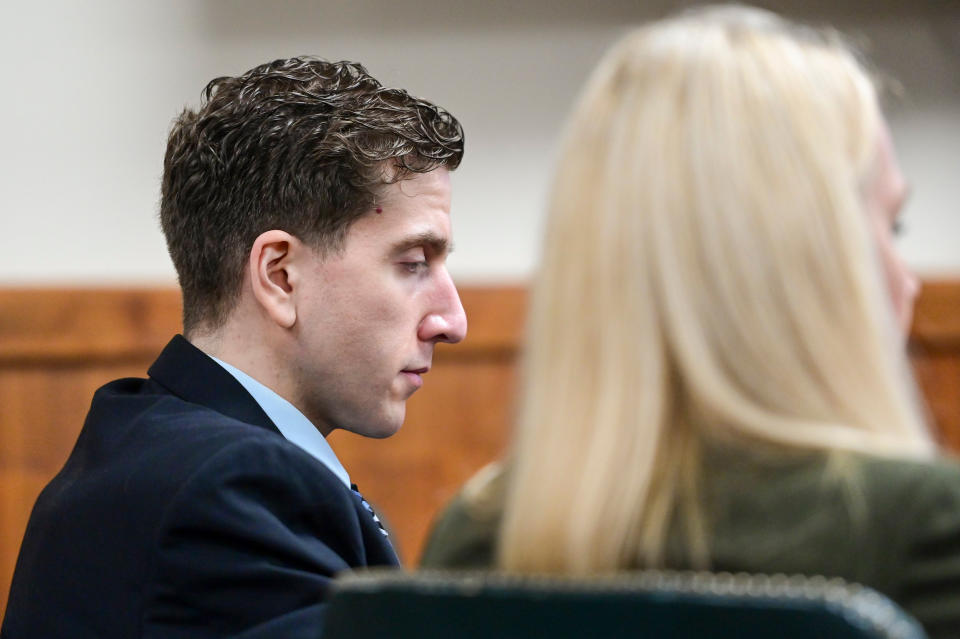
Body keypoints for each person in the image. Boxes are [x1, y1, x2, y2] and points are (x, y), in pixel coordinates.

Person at [420, 6, 960, 637]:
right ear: (812, 265)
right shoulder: (928, 530)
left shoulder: (476, 539)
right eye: (887, 228)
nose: (908, 280)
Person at [2, 57, 467, 638]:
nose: (453, 322)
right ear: (280, 276)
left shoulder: (146, 442)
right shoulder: (232, 489)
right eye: (413, 263)